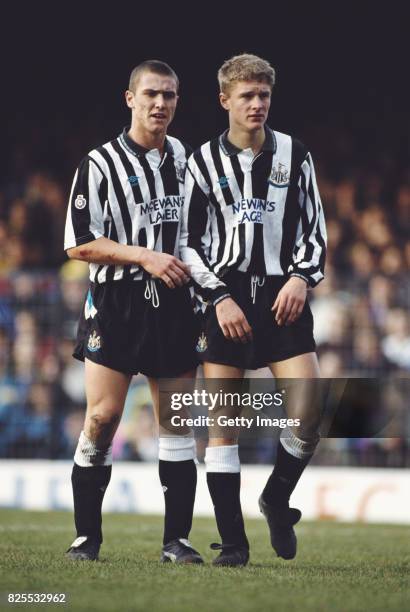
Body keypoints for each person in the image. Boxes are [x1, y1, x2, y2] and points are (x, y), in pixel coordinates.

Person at [180, 53, 327, 566]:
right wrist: (218, 296)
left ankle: (276, 497)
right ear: (225, 100)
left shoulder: (294, 154)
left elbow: (314, 229)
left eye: (264, 95)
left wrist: (302, 278)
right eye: (247, 95)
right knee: (224, 424)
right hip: (228, 296)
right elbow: (187, 242)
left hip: (283, 294)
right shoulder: (200, 162)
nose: (258, 104)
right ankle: (234, 545)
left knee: (309, 410)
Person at [64, 60, 202, 564]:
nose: (159, 104)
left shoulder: (184, 158)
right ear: (130, 99)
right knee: (102, 418)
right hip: (116, 304)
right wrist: (143, 255)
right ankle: (86, 538)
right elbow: (78, 244)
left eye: (168, 95)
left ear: (176, 102)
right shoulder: (98, 164)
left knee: (176, 422)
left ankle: (177, 542)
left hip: (172, 305)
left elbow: (193, 233)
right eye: (151, 94)